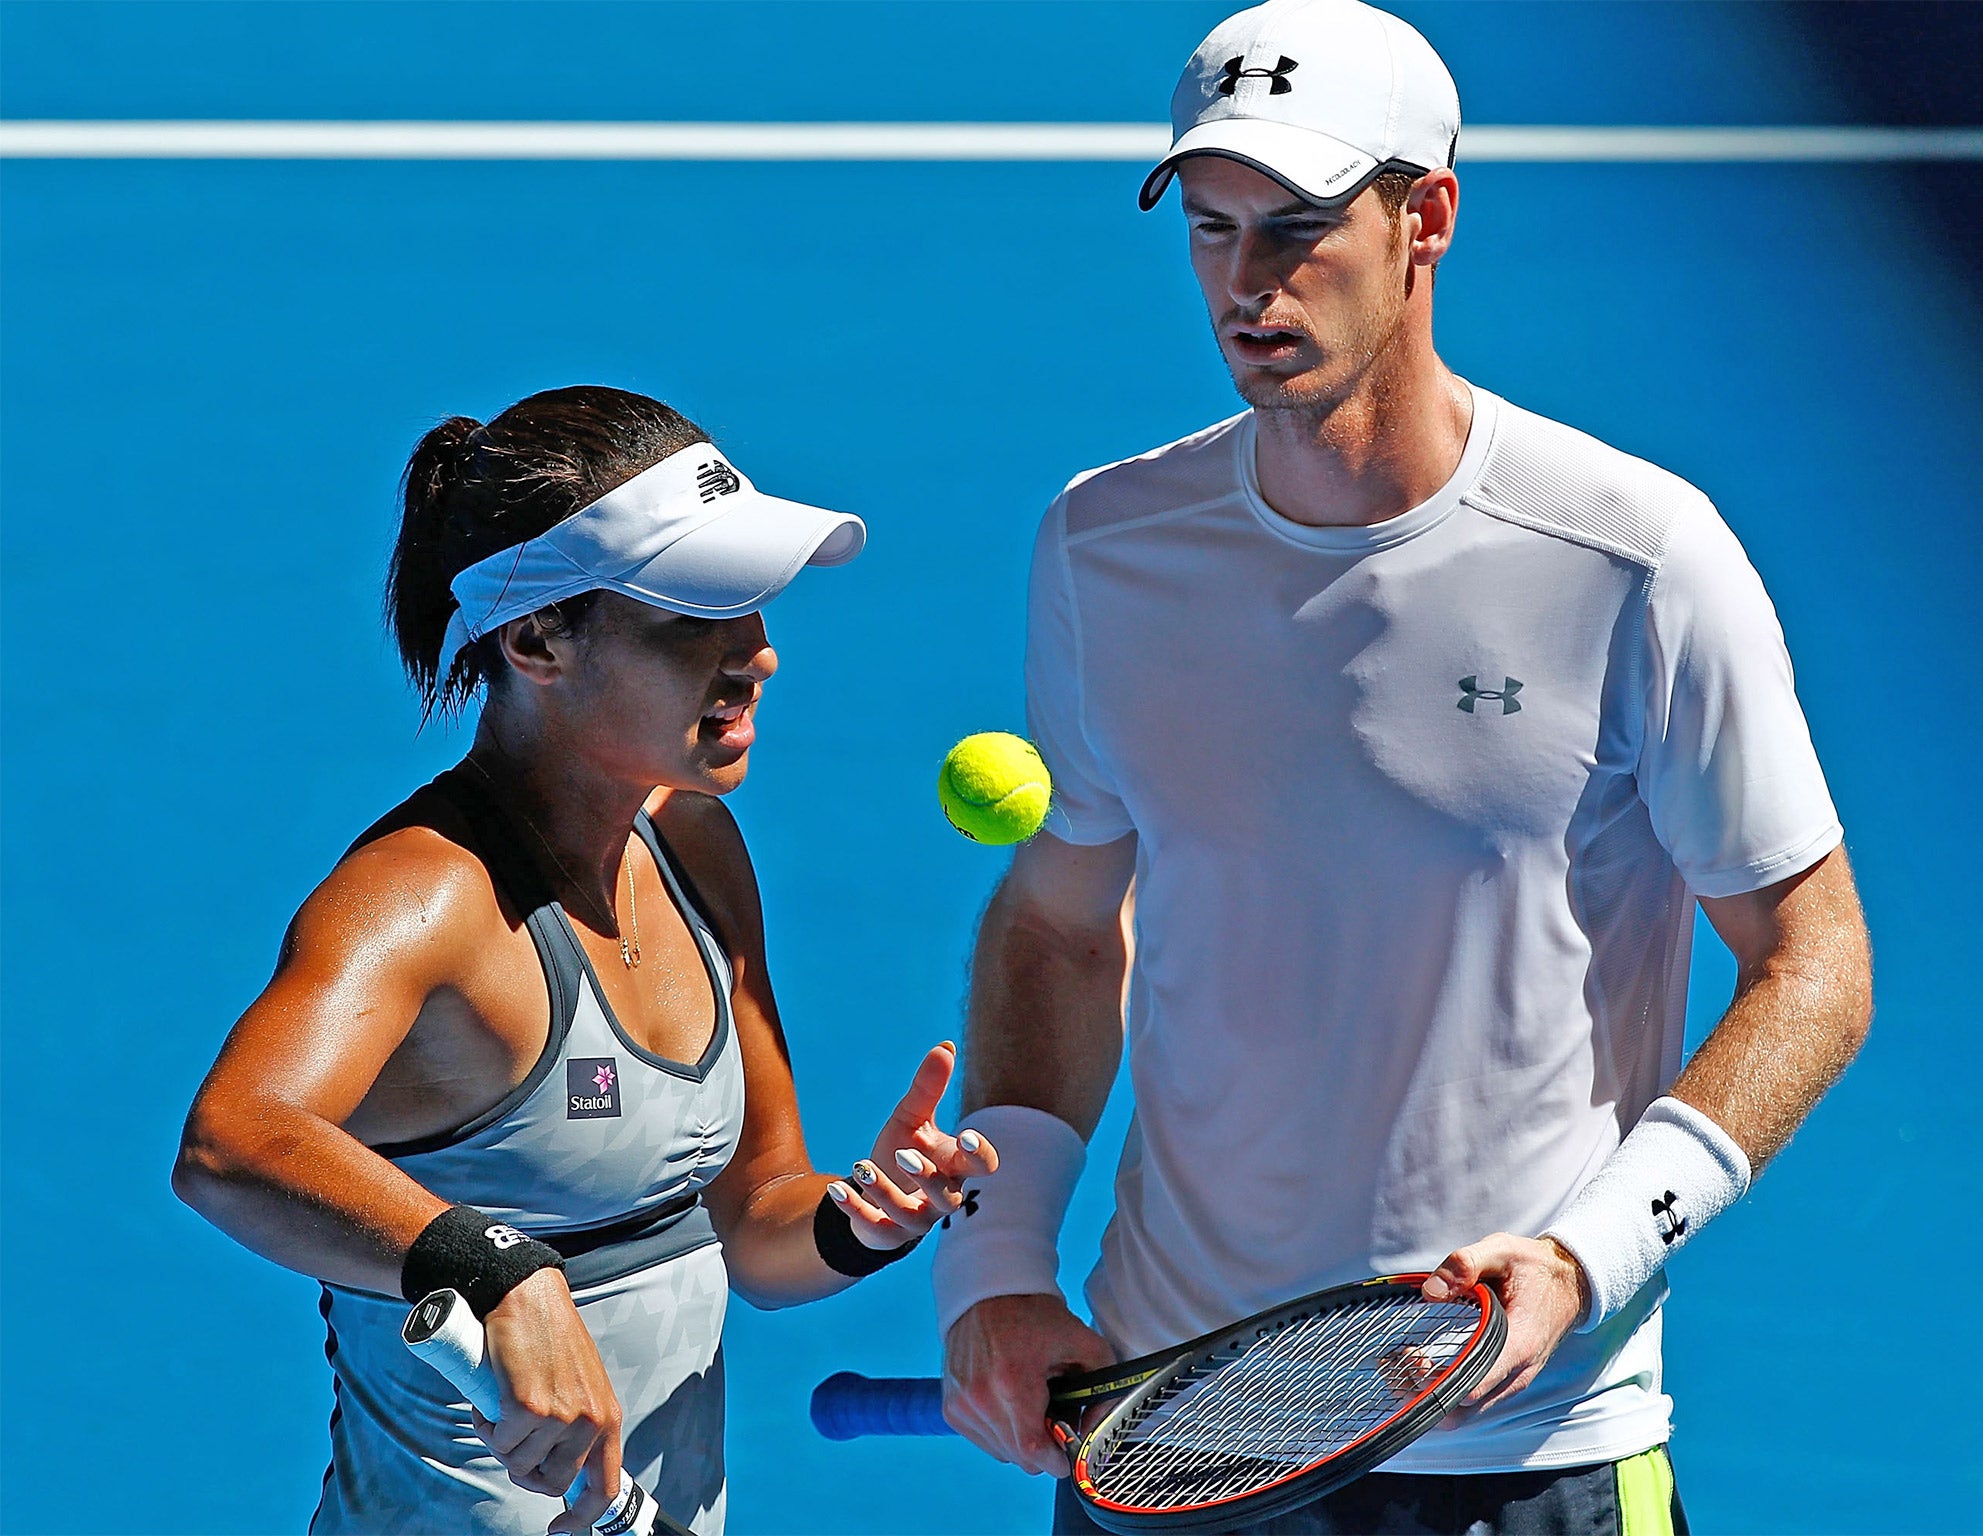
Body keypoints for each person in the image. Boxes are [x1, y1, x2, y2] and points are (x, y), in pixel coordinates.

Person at [931, 4, 1873, 1532]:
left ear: (1425, 216)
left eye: (1299, 229)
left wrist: (1587, 1259)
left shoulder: (1635, 554)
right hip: (1177, 1416)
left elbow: (1815, 961)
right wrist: (998, 1269)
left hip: (1532, 1444)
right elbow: (1054, 919)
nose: (1246, 284)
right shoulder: (1103, 546)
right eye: (1215, 228)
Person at [173, 385, 995, 1536]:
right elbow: (230, 1144)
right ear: (535, 639)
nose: (756, 656)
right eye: (690, 617)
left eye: (753, 610)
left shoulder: (693, 839)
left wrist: (860, 1222)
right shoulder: (421, 901)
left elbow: (756, 1218)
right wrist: (494, 1266)